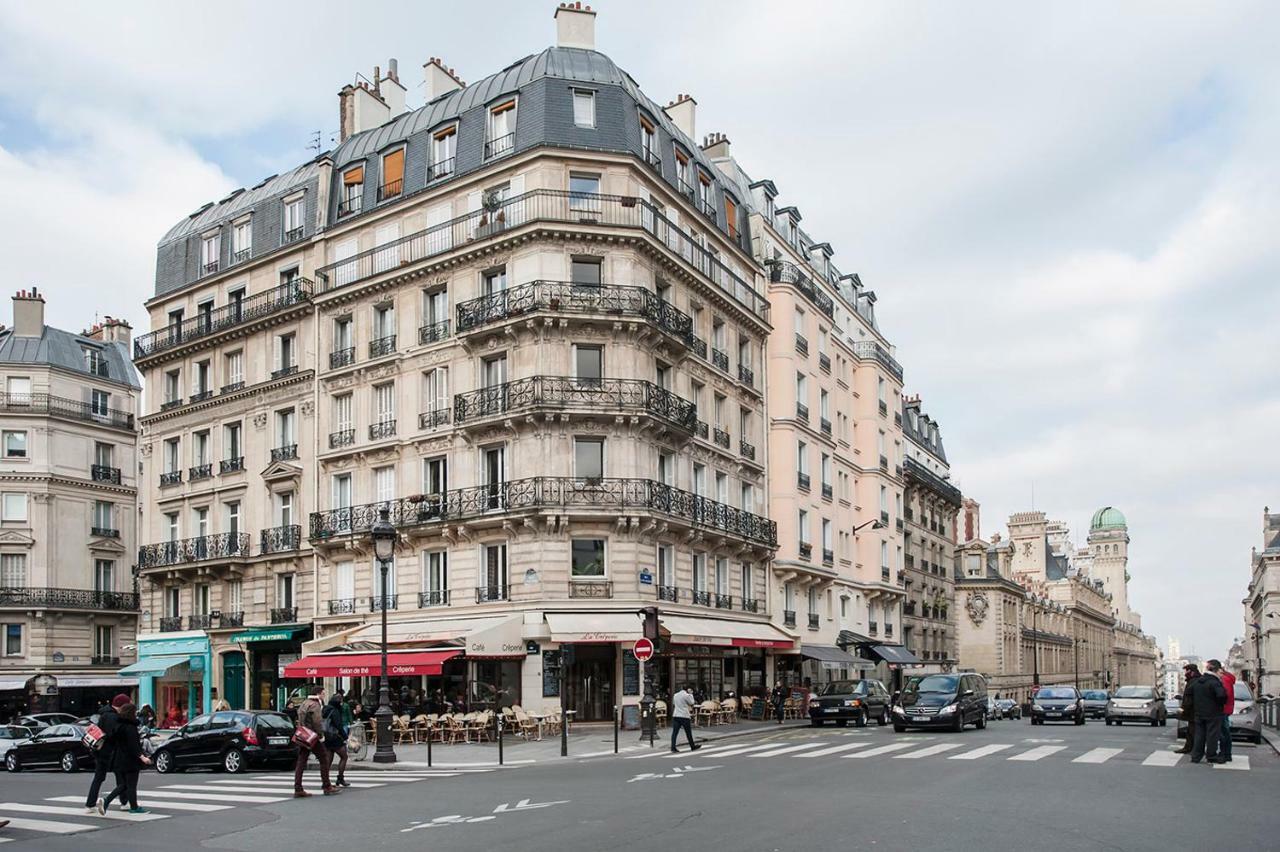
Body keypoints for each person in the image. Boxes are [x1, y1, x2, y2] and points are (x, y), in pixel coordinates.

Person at [98, 703, 151, 815]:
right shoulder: (130, 727)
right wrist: (142, 757)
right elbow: (133, 745)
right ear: (131, 713)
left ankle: (111, 802)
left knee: (124, 785)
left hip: (118, 759)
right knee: (131, 785)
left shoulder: (118, 726)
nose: (136, 714)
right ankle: (131, 807)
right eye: (134, 712)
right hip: (130, 760)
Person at [84, 693, 127, 814]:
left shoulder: (103, 714)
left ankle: (90, 804)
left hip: (100, 751)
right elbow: (114, 735)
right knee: (121, 777)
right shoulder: (113, 717)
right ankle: (124, 802)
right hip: (111, 752)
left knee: (98, 778)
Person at [294, 685, 338, 797]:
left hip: (303, 735)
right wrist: (320, 735)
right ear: (318, 694)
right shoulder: (315, 705)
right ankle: (327, 786)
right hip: (312, 736)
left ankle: (298, 788)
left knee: (301, 761)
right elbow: (317, 722)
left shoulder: (304, 703)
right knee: (324, 759)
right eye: (323, 693)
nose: (324, 695)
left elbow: (299, 717)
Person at [1187, 664, 1228, 764]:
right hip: (1213, 712)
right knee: (1212, 735)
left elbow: (1189, 692)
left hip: (1199, 712)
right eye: (1220, 672)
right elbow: (1222, 696)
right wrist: (1220, 704)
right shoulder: (1215, 682)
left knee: (1199, 735)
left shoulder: (1198, 681)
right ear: (1216, 671)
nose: (1221, 674)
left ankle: (1196, 756)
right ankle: (1211, 755)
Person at [1207, 660, 1236, 763]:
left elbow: (1224, 695)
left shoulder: (1223, 679)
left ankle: (1225, 753)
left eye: (1209, 666)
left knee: (1223, 732)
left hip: (1222, 709)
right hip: (1225, 708)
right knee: (1224, 731)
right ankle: (1226, 753)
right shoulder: (1226, 678)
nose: (1207, 668)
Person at [323, 692, 351, 787]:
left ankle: (326, 780)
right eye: (341, 702)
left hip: (326, 736)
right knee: (344, 756)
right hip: (334, 737)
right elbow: (338, 725)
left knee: (329, 759)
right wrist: (345, 737)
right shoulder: (335, 711)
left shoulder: (325, 709)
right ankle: (340, 778)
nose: (341, 704)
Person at [669, 684, 700, 753]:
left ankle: (673, 747)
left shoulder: (675, 695)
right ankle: (692, 746)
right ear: (687, 690)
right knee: (688, 733)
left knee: (674, 732)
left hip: (676, 715)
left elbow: (674, 704)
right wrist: (691, 694)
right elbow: (692, 702)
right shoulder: (686, 695)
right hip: (684, 716)